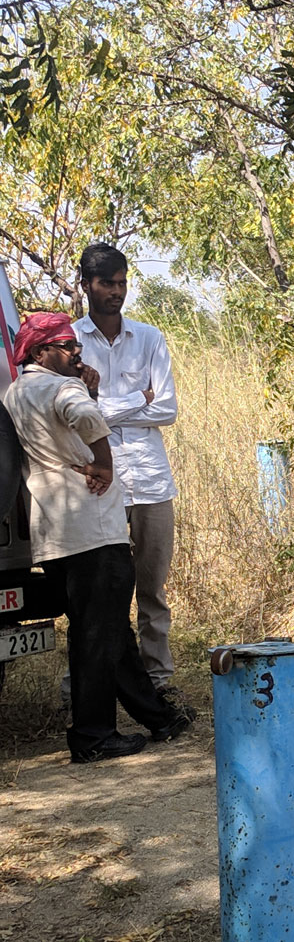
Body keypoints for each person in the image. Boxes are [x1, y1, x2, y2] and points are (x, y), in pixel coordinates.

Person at [2, 311, 191, 762]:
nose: (75, 352)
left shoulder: (16, 392)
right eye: (65, 346)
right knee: (96, 634)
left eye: (76, 346)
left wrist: (88, 387)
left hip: (52, 529)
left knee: (106, 629)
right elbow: (86, 417)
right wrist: (104, 463)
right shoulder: (62, 386)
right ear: (39, 351)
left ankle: (158, 718)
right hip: (93, 529)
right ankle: (93, 736)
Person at [73, 242, 184, 706]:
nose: (117, 293)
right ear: (87, 286)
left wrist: (102, 409)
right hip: (97, 481)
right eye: (107, 284)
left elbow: (168, 408)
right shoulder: (70, 341)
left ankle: (158, 677)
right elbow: (74, 415)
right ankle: (86, 683)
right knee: (99, 590)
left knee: (152, 588)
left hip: (151, 479)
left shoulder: (150, 338)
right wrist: (138, 399)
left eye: (122, 283)